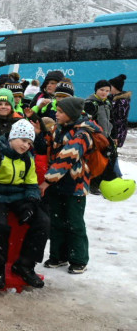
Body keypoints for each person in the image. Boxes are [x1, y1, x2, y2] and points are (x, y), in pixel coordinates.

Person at [0, 119, 49, 289]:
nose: (26, 146)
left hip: (19, 195)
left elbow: (31, 183)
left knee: (43, 221)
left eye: (29, 142)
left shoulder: (27, 159)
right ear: (13, 138)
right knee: (0, 225)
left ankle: (25, 265)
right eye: (23, 140)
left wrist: (31, 201)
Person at [39, 97, 100, 274]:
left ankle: (78, 259)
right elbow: (49, 149)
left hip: (75, 185)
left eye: (61, 112)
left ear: (71, 114)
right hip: (58, 185)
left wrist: (46, 182)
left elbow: (66, 158)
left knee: (74, 222)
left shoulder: (82, 134)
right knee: (57, 220)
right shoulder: (58, 129)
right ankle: (58, 256)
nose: (56, 114)